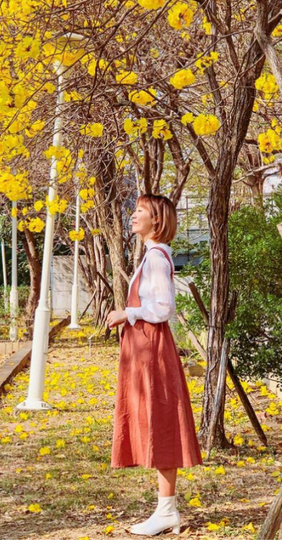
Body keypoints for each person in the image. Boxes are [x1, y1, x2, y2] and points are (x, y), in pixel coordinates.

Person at [107, 193, 202, 536]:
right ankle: (165, 509)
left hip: (151, 349)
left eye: (140, 211)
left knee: (160, 422)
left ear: (156, 220)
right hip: (145, 349)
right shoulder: (151, 257)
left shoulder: (157, 259)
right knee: (154, 422)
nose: (133, 216)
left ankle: (167, 511)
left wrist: (125, 313)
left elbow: (162, 308)